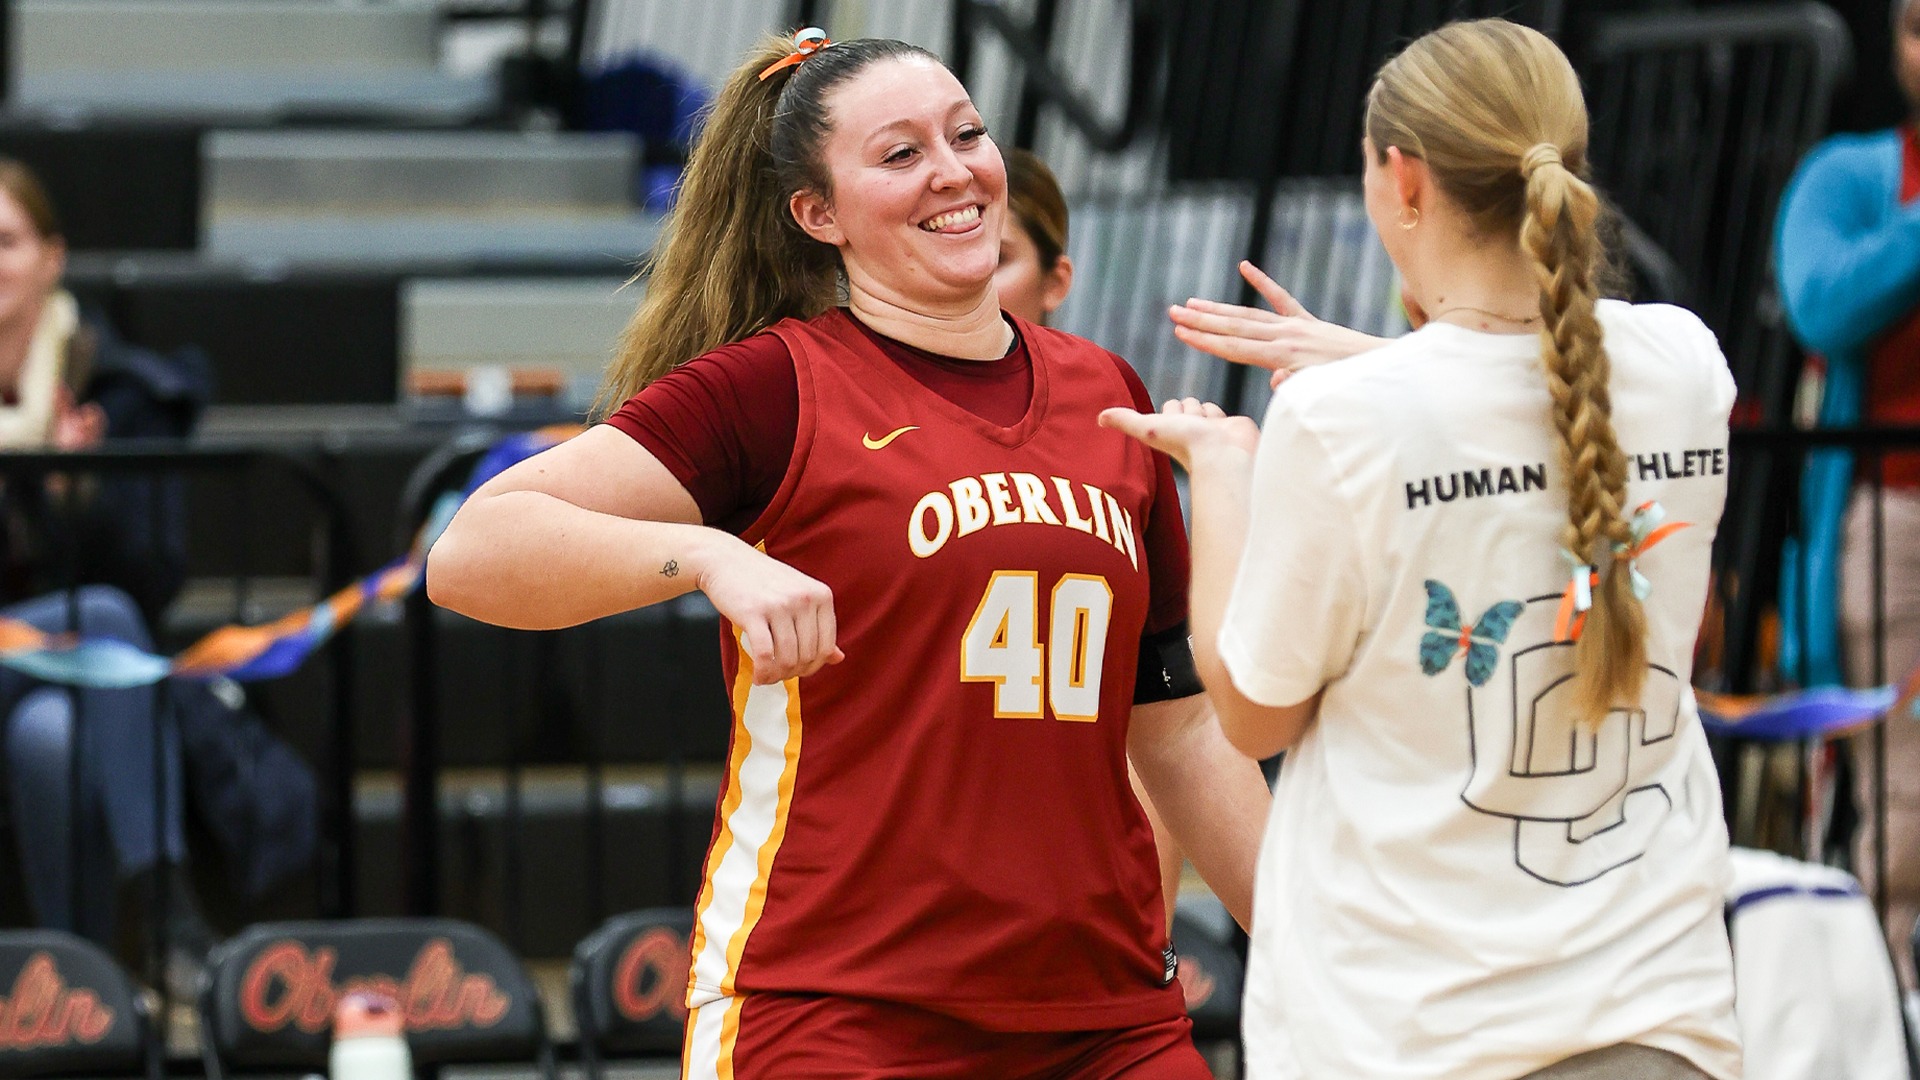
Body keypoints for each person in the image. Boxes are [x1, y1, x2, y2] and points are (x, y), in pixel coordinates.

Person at [427, 31, 1269, 1079]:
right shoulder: (774, 387)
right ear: (817, 214)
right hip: (841, 1009)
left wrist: (1315, 943)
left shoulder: (1108, 391)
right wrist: (706, 557)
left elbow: (1179, 730)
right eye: (901, 154)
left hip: (1101, 1014)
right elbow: (471, 551)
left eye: (966, 134)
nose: (954, 171)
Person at [1103, 19, 1742, 1078]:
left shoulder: (1345, 423)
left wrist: (1222, 474)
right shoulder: (1683, 361)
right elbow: (1533, 397)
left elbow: (1256, 708)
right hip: (1656, 1017)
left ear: (1404, 181)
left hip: (1412, 1031)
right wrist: (1374, 361)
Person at [0, 157, 222, 989]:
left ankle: (81, 991)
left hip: (67, 686)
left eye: (7, 241)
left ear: (52, 257)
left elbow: (155, 581)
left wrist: (73, 496)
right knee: (102, 619)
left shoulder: (118, 389)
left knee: (49, 735)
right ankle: (167, 911)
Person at [1774, 0, 1920, 987]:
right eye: (1916, 27)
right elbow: (1820, 301)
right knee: (1908, 812)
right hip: (1893, 528)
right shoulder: (1854, 175)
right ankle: (1892, 1021)